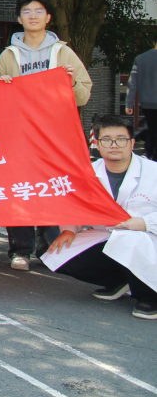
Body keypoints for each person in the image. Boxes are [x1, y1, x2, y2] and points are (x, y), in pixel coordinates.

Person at [0, 0, 94, 270]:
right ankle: (20, 251)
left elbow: (83, 95)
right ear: (19, 18)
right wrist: (1, 86)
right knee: (20, 190)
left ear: (49, 17)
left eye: (39, 11)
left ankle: (48, 248)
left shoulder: (63, 53)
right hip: (19, 136)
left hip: (55, 135)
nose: (33, 16)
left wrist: (70, 82)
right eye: (27, 11)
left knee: (52, 189)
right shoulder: (9, 55)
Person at [42, 116, 157, 320]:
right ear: (96, 143)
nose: (114, 145)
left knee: (130, 241)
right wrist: (69, 229)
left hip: (147, 236)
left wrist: (144, 223)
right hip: (107, 234)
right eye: (106, 139)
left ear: (132, 143)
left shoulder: (153, 172)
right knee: (56, 251)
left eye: (121, 139)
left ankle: (149, 297)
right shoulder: (88, 173)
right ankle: (118, 281)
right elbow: (75, 207)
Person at [129, 38, 157, 157]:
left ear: (153, 42)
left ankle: (149, 154)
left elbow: (133, 82)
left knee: (152, 128)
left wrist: (129, 103)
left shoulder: (140, 58)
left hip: (147, 103)